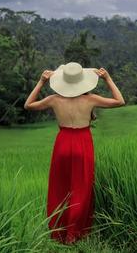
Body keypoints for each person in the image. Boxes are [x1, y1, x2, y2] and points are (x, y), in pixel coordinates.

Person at [24, 62, 126, 244]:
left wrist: (41, 82)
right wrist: (107, 78)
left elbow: (28, 105)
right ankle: (75, 234)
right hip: (83, 143)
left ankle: (58, 234)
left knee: (60, 187)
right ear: (82, 82)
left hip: (62, 143)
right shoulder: (91, 99)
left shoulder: (54, 99)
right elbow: (120, 101)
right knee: (82, 187)